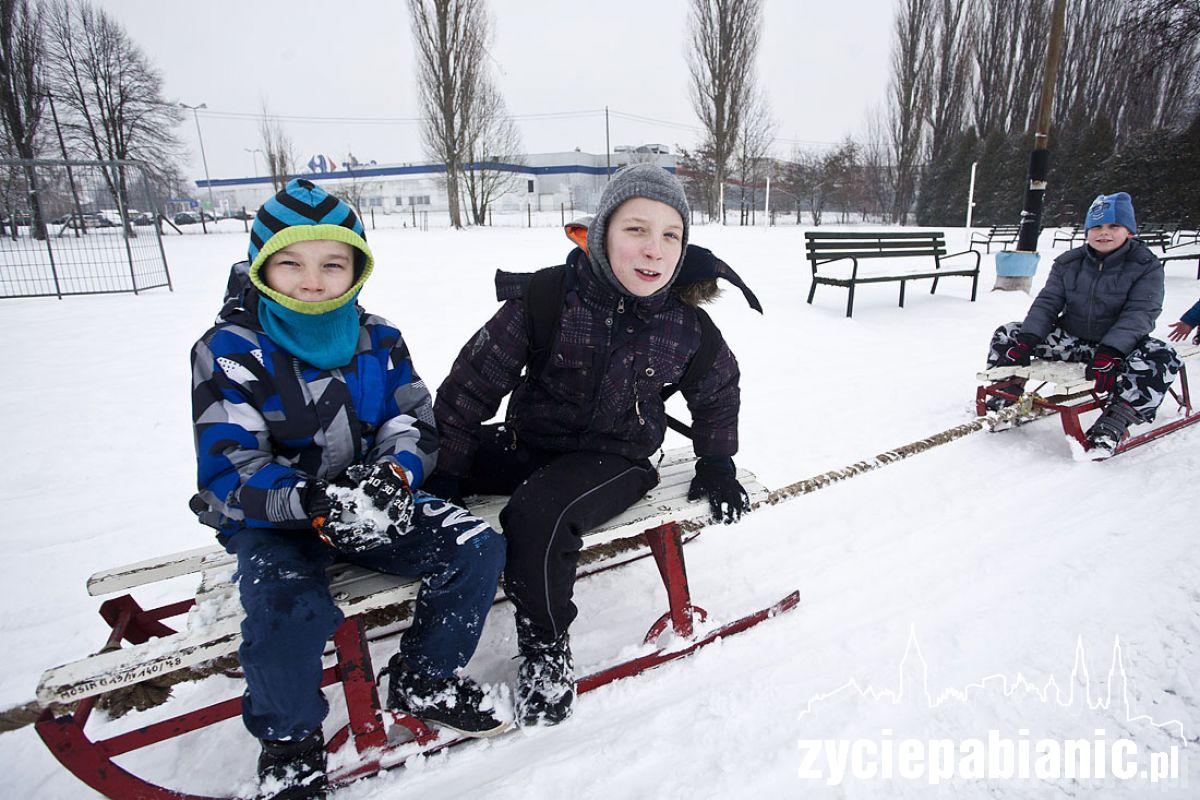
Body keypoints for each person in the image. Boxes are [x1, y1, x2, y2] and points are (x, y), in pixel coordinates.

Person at [190, 179, 506, 799]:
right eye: (291, 262)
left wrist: (394, 476)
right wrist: (309, 501)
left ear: (356, 268)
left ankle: (424, 676)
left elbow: (411, 420)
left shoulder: (378, 339)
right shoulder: (229, 352)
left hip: (371, 501)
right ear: (262, 266)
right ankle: (290, 745)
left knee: (475, 549)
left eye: (332, 264)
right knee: (287, 611)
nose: (313, 281)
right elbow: (231, 464)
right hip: (276, 519)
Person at [429, 164, 749, 726]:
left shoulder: (684, 325)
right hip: (531, 440)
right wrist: (447, 472)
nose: (654, 250)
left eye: (670, 236)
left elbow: (718, 387)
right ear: (601, 233)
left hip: (617, 458)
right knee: (429, 459)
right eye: (636, 230)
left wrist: (717, 462)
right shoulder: (551, 296)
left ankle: (546, 648)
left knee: (537, 516)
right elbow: (470, 385)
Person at [985, 192, 1182, 456]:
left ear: (1130, 231)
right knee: (1008, 333)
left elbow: (1141, 312)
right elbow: (1048, 303)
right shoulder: (1069, 263)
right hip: (1073, 339)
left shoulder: (1145, 266)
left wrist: (1112, 351)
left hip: (1116, 349)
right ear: (1087, 231)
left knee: (1162, 356)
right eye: (1097, 227)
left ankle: (1116, 420)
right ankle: (1005, 396)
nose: (1104, 233)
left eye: (1114, 226)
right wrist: (1028, 339)